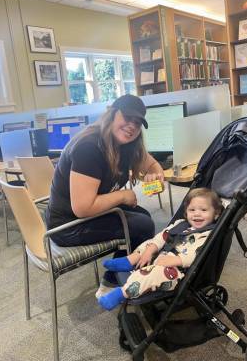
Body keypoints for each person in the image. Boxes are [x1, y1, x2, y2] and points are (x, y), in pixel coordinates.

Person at [46, 94, 164, 297]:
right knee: (142, 225)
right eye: (127, 118)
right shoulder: (89, 147)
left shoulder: (126, 145)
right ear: (111, 114)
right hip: (67, 225)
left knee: (142, 215)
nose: (132, 126)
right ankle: (113, 283)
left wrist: (156, 173)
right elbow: (82, 207)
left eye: (137, 123)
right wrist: (122, 195)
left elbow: (151, 164)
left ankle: (121, 274)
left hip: (88, 214)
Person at [98, 187, 223, 310]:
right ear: (186, 212)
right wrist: (151, 249)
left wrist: (176, 261)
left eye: (203, 210)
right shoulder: (181, 223)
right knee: (150, 242)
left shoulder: (207, 235)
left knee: (153, 274)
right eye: (192, 210)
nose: (197, 214)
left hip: (177, 272)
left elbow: (196, 254)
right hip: (163, 255)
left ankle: (122, 293)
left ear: (216, 214)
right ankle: (130, 260)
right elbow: (162, 237)